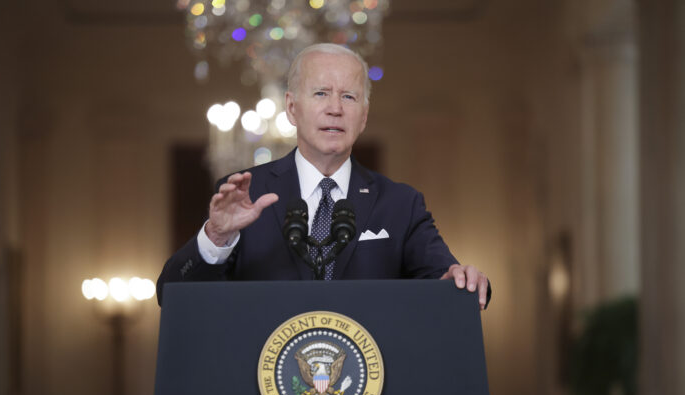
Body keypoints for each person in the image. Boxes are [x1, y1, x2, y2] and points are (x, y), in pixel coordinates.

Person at [157, 43, 490, 308]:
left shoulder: (401, 204)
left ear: (364, 116)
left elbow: (446, 282)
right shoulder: (248, 193)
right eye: (321, 93)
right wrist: (216, 236)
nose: (335, 108)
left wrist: (459, 283)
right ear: (291, 108)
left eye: (349, 96)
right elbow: (171, 295)